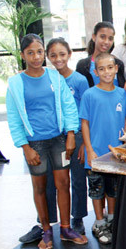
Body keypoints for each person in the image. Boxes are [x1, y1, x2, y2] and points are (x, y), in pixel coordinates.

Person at [6, 34, 88, 249]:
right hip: (35, 144)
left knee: (64, 184)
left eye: (39, 52)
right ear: (23, 55)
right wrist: (25, 148)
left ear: (44, 53)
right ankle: (46, 231)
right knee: (40, 188)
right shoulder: (15, 83)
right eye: (30, 52)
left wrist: (70, 134)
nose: (35, 57)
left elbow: (69, 106)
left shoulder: (55, 78)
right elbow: (14, 118)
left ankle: (66, 228)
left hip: (58, 140)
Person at [79, 53, 126, 244]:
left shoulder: (122, 93)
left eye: (110, 67)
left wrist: (124, 145)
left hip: (115, 153)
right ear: (95, 71)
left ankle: (112, 220)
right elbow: (84, 123)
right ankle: (99, 223)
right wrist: (89, 150)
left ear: (116, 68)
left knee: (113, 189)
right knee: (97, 189)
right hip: (96, 153)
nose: (106, 72)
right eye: (101, 69)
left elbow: (123, 120)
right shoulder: (89, 94)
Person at [46, 37, 89, 235]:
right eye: (53, 55)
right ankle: (47, 221)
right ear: (48, 57)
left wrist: (83, 143)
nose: (58, 59)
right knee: (52, 180)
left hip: (78, 135)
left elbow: (87, 111)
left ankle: (78, 217)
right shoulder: (47, 79)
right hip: (54, 137)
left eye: (62, 54)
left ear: (70, 54)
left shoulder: (79, 80)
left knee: (78, 178)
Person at [76, 21, 126, 88]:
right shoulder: (83, 65)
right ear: (94, 37)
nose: (106, 42)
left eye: (110, 39)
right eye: (102, 37)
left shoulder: (118, 64)